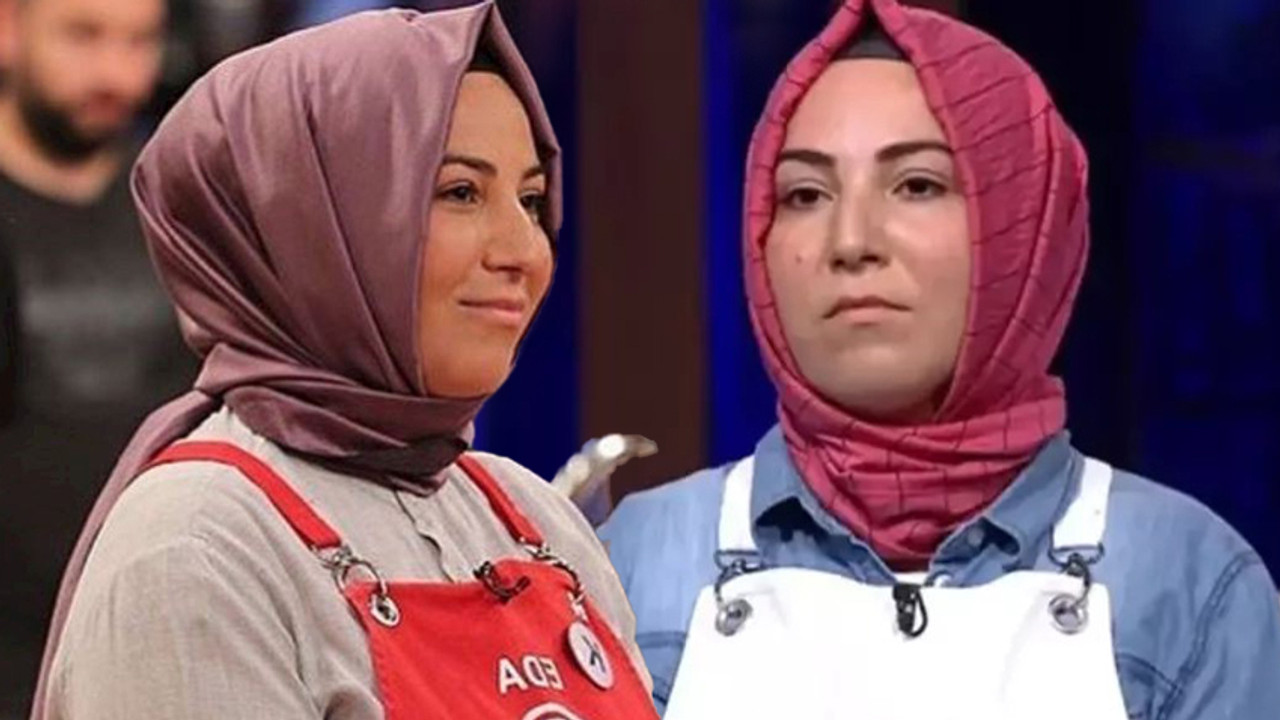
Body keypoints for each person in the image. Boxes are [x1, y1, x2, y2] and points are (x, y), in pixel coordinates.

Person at [599, 0, 1280, 718]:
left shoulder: (1187, 584)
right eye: (805, 194)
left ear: (1022, 231)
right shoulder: (638, 562)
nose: (851, 241)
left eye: (917, 185)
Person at [31, 5, 657, 720]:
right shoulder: (197, 546)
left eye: (531, 199)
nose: (524, 250)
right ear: (310, 227)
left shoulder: (534, 519)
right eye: (460, 193)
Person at [0, 0, 192, 711]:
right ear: (8, 28)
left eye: (140, 41)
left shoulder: (185, 204)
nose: (116, 73)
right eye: (83, 35)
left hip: (163, 637)